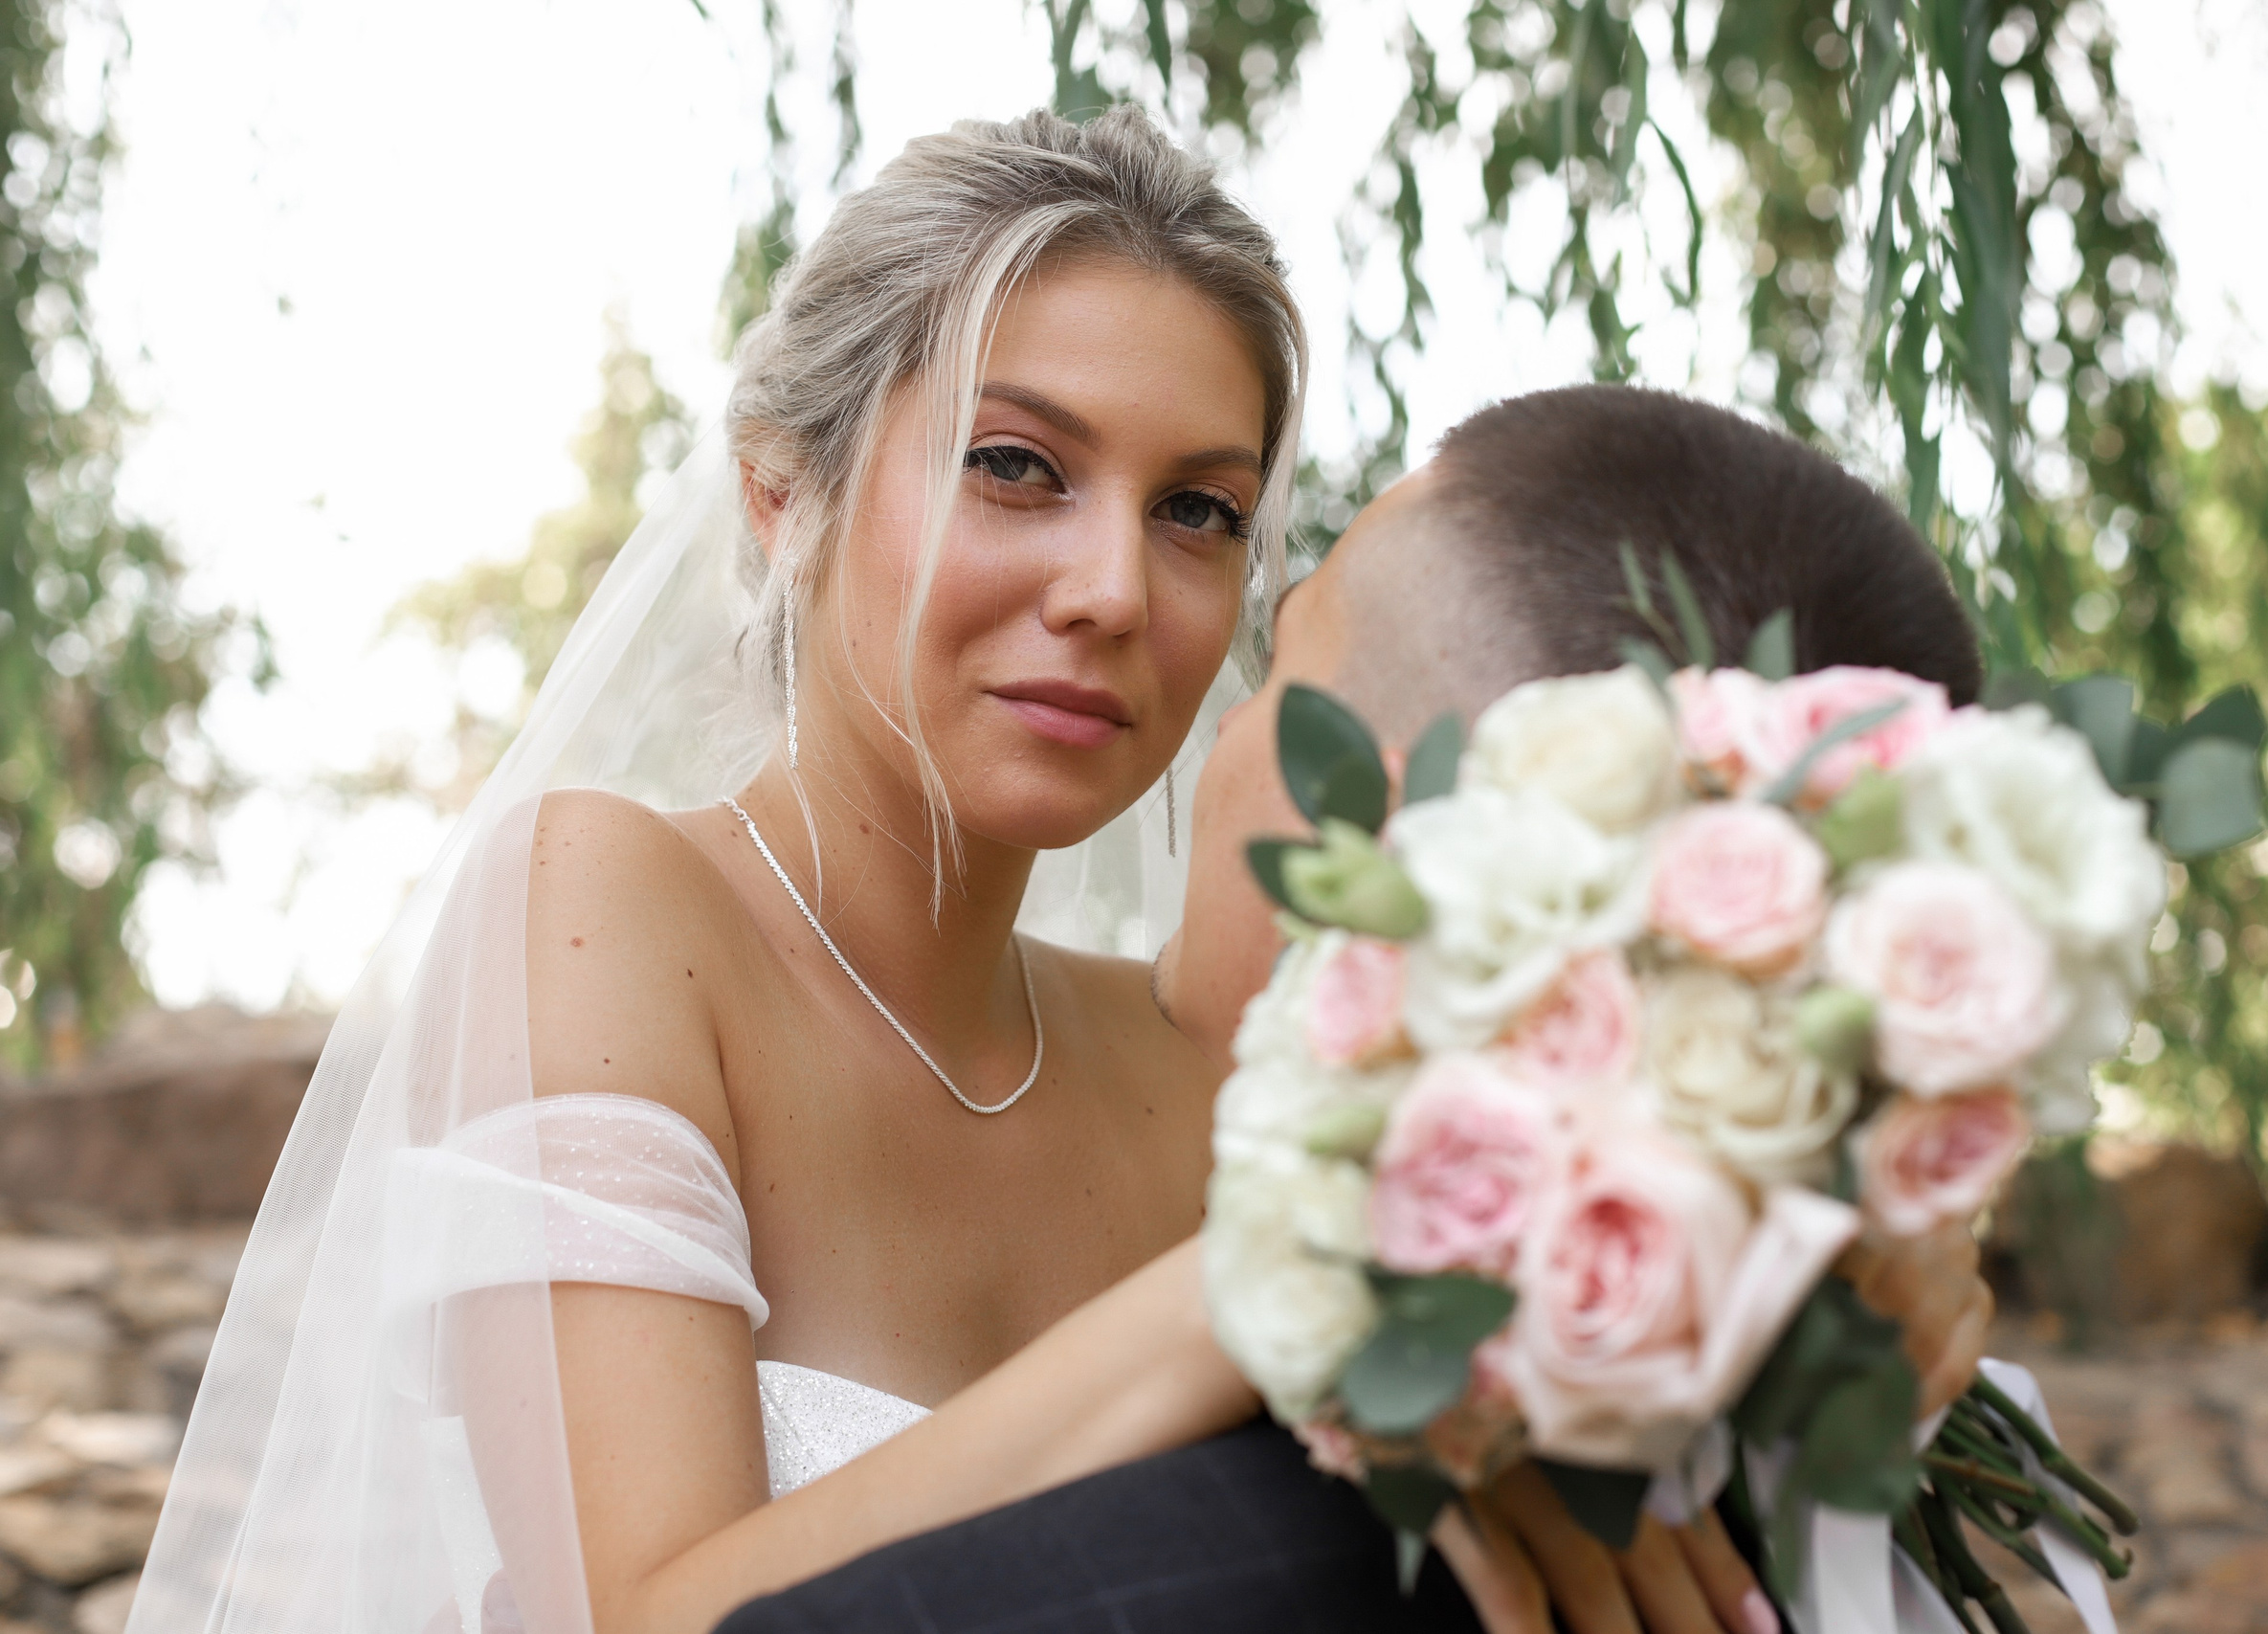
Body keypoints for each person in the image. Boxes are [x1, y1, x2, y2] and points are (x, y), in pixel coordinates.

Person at [128, 105, 1306, 1634]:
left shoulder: (1209, 1067)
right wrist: (1249, 1301)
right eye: (1017, 465)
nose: (1112, 590)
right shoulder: (611, 906)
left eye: (1198, 510)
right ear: (780, 496)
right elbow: (646, 1615)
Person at [715, 383, 1999, 1634]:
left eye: (1278, 673)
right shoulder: (1866, 1429)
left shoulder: (1022, 1597)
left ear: (1412, 841)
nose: (1213, 739)